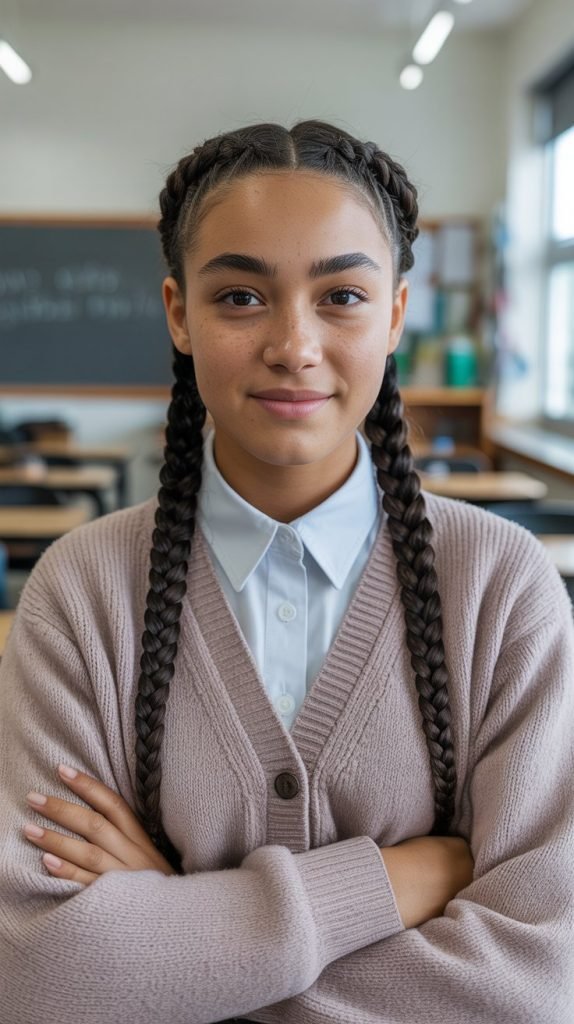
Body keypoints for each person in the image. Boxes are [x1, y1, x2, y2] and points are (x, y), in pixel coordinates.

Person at [0, 120, 573, 1024]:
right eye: (240, 297)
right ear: (179, 313)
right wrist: (393, 881)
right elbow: (42, 977)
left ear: (394, 314)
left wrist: (173, 936)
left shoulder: (502, 591)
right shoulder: (81, 595)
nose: (294, 345)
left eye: (342, 295)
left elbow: (535, 987)